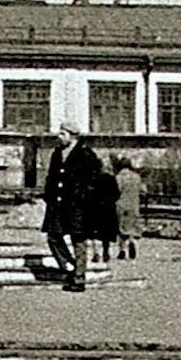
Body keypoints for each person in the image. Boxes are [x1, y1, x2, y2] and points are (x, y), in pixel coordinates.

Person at [42, 121, 103, 291]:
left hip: (77, 205)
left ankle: (79, 279)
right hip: (58, 204)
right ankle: (70, 266)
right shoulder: (57, 153)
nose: (59, 137)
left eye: (62, 134)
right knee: (53, 237)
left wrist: (84, 196)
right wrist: (49, 194)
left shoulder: (86, 154)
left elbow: (95, 179)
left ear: (72, 135)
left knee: (79, 240)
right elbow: (51, 176)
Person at [112, 156, 144, 259]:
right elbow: (143, 190)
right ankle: (131, 241)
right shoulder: (137, 177)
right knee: (132, 226)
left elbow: (116, 191)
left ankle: (122, 250)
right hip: (134, 205)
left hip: (121, 204)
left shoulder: (118, 177)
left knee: (121, 227)